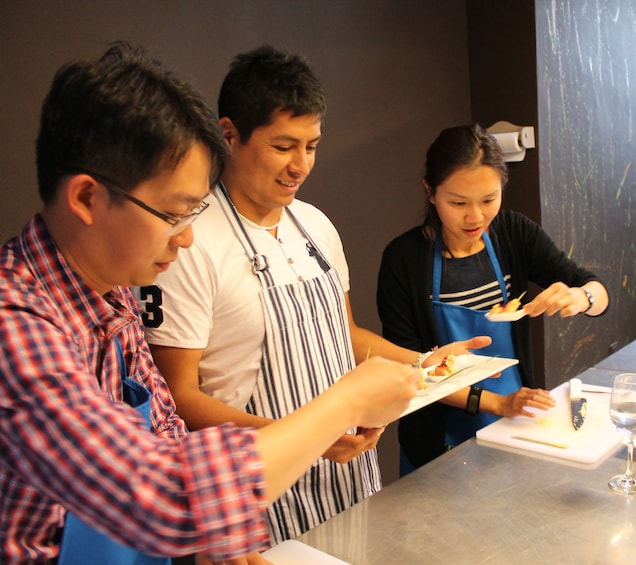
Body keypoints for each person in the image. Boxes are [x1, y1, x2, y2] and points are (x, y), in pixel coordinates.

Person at [0, 42, 419, 564]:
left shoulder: (113, 296)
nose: (186, 238)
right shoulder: (15, 327)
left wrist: (221, 542)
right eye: (174, 214)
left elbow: (168, 430)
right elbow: (165, 496)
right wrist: (344, 405)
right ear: (87, 198)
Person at [135, 45, 488, 544]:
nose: (300, 165)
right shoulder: (189, 242)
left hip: (348, 478)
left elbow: (346, 335)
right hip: (258, 492)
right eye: (283, 147)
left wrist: (429, 363)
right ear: (229, 133)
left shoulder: (316, 226)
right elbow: (178, 398)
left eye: (312, 146)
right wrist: (306, 437)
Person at [377, 124, 610, 474]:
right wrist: (496, 404)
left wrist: (582, 297)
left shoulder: (514, 233)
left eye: (489, 200)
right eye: (458, 203)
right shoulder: (404, 259)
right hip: (437, 437)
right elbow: (410, 367)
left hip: (515, 422)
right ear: (431, 192)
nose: (476, 217)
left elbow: (597, 291)